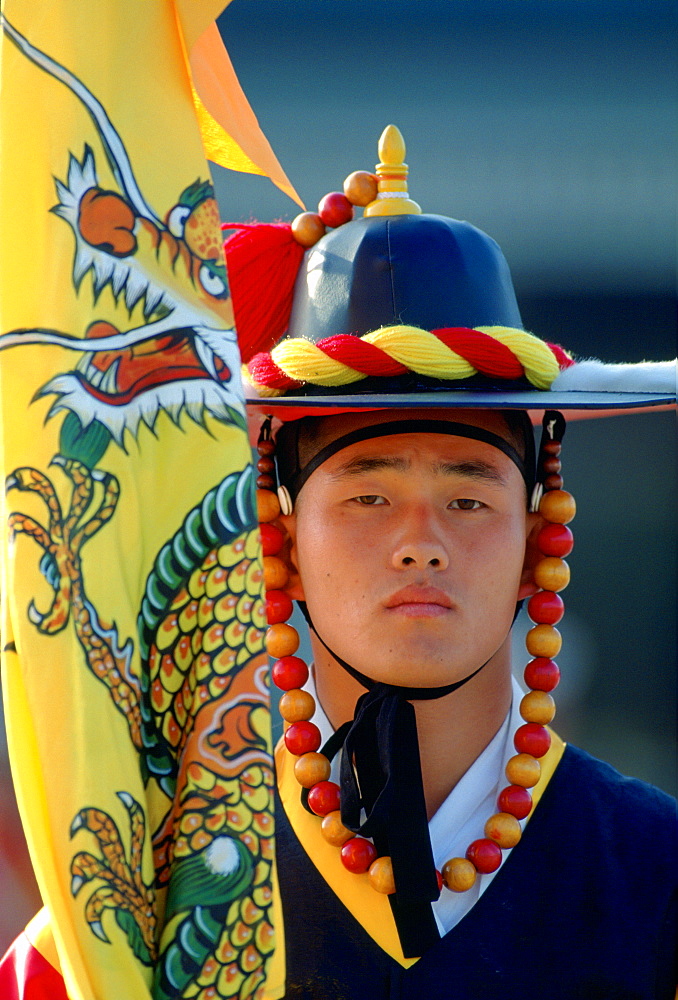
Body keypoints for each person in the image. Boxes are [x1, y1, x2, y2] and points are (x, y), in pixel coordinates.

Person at [235, 124, 677, 997]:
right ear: (281, 535)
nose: (420, 541)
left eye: (470, 498)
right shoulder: (174, 869)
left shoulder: (655, 871)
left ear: (536, 537)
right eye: (367, 495)